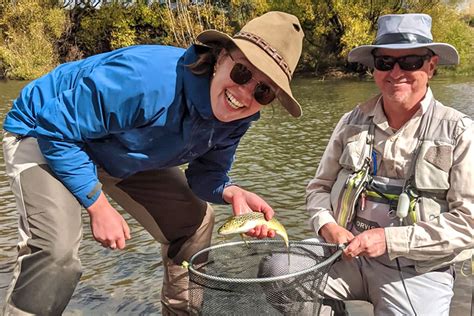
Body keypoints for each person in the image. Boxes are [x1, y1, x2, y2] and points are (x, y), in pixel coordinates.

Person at [1, 11, 304, 315]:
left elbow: (206, 174)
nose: (245, 93)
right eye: (241, 72)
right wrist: (97, 204)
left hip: (121, 148)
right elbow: (55, 125)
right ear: (220, 57)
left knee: (195, 222)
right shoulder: (145, 80)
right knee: (57, 252)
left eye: (263, 91)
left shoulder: (238, 117)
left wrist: (231, 192)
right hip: (43, 131)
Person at [261, 13, 473, 315]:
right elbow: (318, 188)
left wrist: (389, 240)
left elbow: (468, 223)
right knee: (278, 268)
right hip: (344, 256)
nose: (396, 72)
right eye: (385, 62)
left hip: (419, 270)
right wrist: (327, 226)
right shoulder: (350, 122)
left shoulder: (459, 131)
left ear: (431, 65)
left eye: (410, 61)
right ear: (374, 68)